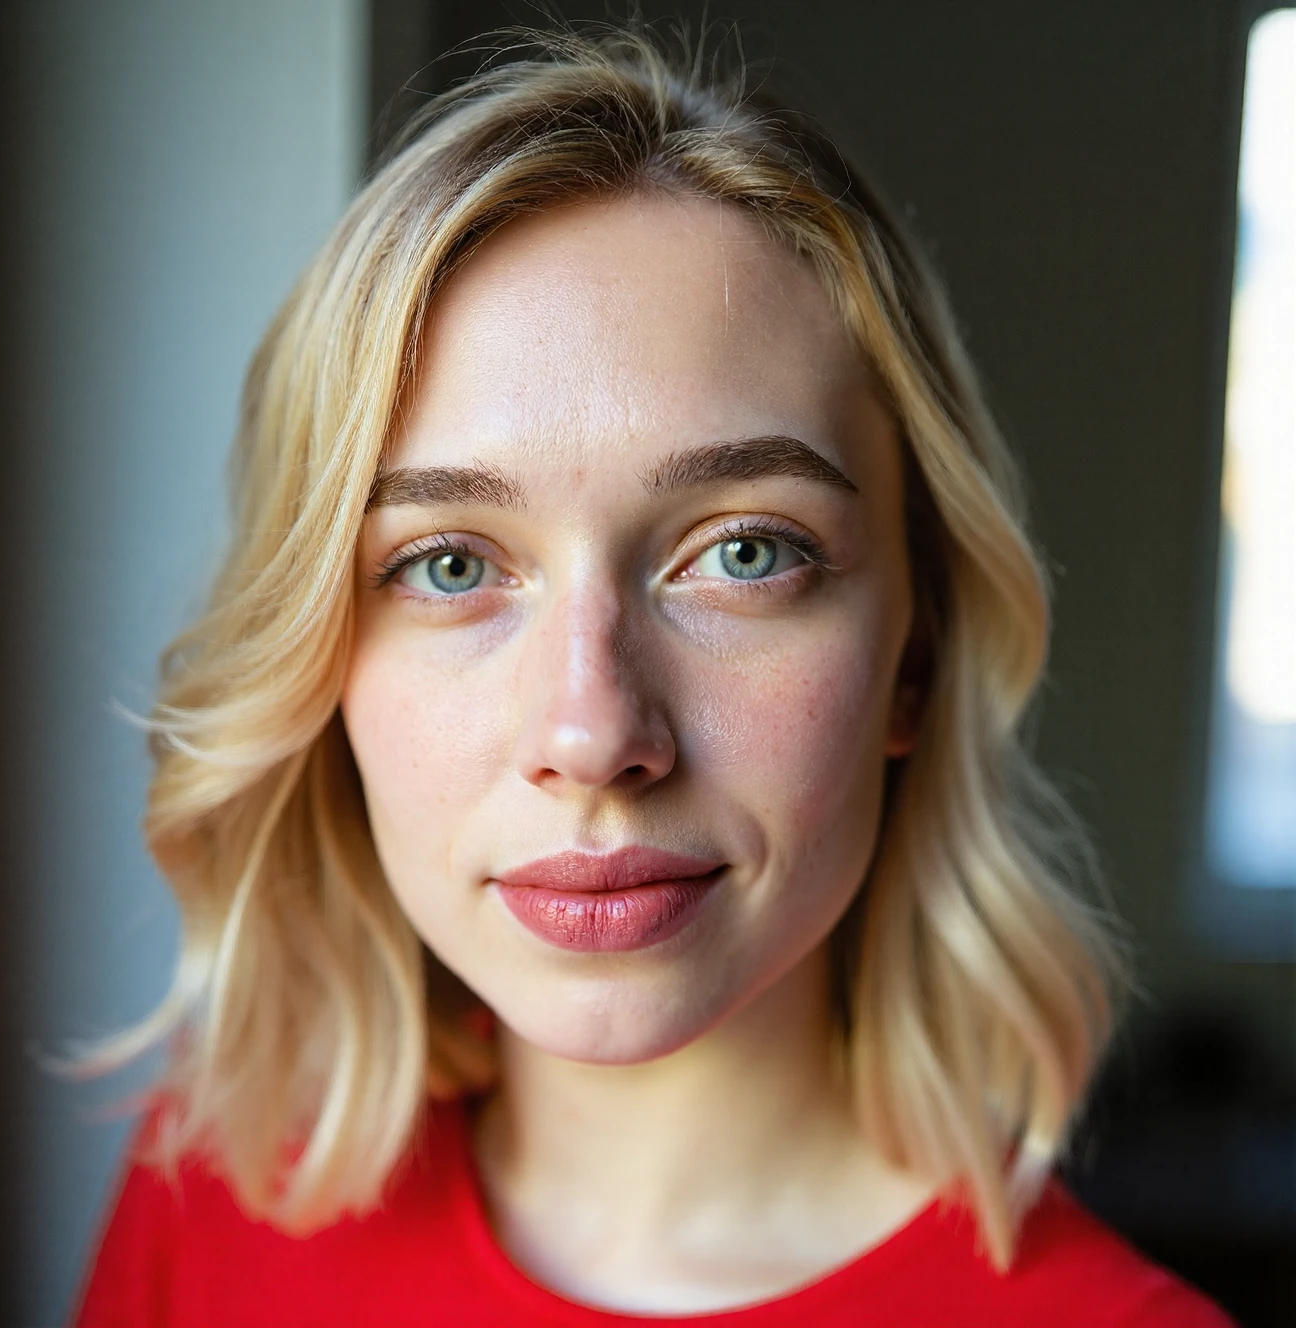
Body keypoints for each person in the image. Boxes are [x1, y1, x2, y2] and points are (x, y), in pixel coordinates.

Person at [72, 27, 1232, 1327]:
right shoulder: (215, 1194)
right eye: (451, 565)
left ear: (916, 655)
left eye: (744, 552)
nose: (591, 729)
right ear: (321, 662)